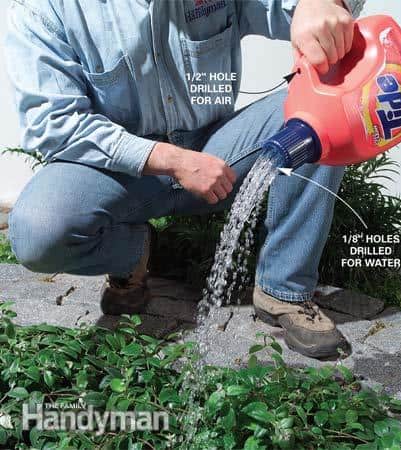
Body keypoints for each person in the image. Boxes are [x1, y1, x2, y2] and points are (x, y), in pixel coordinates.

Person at [5, 0, 379, 359]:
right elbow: (52, 124)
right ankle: (133, 252)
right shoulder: (43, 8)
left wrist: (320, 2)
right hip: (119, 172)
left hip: (218, 151)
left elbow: (297, 13)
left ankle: (284, 290)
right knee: (38, 232)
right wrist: (171, 160)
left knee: (326, 115)